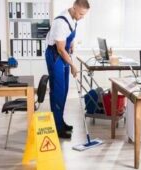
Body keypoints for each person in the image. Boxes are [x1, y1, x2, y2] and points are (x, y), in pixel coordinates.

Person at [45, 0, 90, 138]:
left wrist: (71, 44)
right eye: (81, 14)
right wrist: (72, 65)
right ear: (74, 8)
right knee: (57, 91)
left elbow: (68, 38)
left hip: (63, 54)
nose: (82, 17)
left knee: (64, 91)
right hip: (55, 56)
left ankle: (60, 122)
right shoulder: (61, 22)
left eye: (84, 15)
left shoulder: (73, 18)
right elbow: (59, 48)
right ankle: (57, 128)